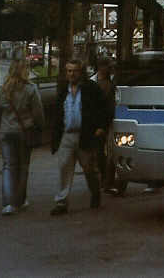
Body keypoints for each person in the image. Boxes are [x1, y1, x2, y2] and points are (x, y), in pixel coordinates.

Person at [50, 58, 109, 215]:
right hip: (67, 135)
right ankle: (61, 202)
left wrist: (101, 127)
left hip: (85, 135)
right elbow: (57, 113)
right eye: (69, 71)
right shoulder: (63, 90)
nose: (72, 74)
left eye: (75, 71)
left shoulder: (91, 88)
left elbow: (104, 108)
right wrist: (55, 136)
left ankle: (95, 193)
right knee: (64, 168)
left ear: (80, 72)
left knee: (89, 168)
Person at [0, 59, 45, 215]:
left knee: (8, 166)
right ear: (24, 71)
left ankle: (8, 203)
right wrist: (40, 128)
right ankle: (19, 201)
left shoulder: (0, 91)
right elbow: (38, 114)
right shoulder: (30, 89)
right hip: (24, 132)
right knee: (23, 167)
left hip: (5, 132)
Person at [90, 57, 117, 193]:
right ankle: (105, 178)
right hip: (100, 122)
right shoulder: (93, 83)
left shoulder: (113, 81)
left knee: (111, 152)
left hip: (112, 120)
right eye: (107, 66)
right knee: (99, 152)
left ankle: (108, 181)